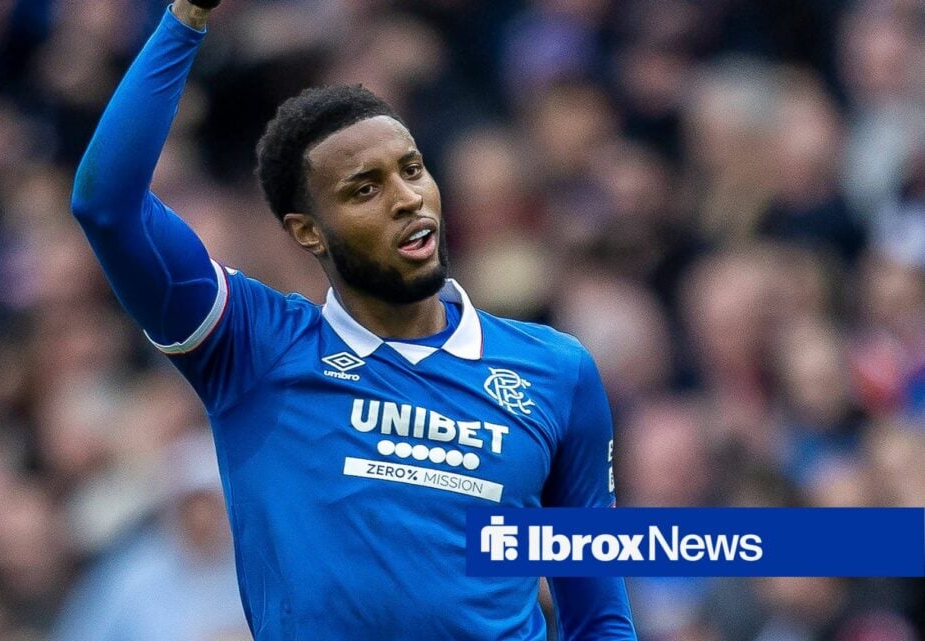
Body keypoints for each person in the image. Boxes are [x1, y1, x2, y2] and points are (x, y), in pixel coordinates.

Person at [70, 1, 636, 638]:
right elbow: (106, 204)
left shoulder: (557, 372)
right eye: (364, 189)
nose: (406, 198)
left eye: (412, 169)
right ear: (308, 232)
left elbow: (599, 614)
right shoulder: (254, 348)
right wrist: (186, 17)